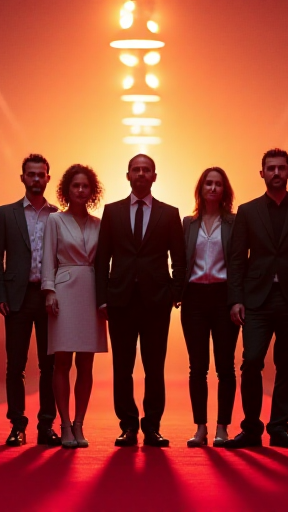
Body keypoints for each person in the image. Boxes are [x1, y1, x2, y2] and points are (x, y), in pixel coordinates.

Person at [225, 148, 288, 449]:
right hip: (256, 300)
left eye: (281, 168)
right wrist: (235, 299)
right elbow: (237, 259)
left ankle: (279, 428)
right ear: (262, 173)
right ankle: (251, 428)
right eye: (271, 168)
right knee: (251, 362)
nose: (276, 173)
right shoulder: (248, 211)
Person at [96, 153, 186, 447]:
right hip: (120, 301)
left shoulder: (169, 213)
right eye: (136, 169)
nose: (141, 174)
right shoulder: (112, 212)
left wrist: (174, 293)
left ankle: (152, 427)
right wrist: (102, 298)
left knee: (154, 369)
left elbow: (180, 260)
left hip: (156, 303)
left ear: (155, 177)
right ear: (128, 176)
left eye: (147, 170)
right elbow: (102, 260)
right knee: (122, 368)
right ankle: (128, 426)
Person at [0, 154, 61, 447]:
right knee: (15, 366)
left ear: (48, 178)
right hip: (17, 298)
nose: (35, 179)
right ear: (22, 178)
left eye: (41, 174)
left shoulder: (59, 215)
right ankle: (16, 426)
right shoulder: (6, 214)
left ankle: (46, 426)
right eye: (30, 174)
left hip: (49, 298)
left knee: (50, 366)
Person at [43, 164, 107, 449]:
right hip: (64, 290)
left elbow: (105, 263)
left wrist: (106, 298)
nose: (80, 191)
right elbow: (47, 258)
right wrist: (49, 290)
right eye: (75, 186)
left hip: (92, 291)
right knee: (62, 361)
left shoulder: (99, 223)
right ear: (67, 190)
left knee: (86, 362)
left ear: (91, 192)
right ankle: (65, 424)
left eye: (85, 187)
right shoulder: (55, 220)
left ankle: (80, 423)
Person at [181, 167, 239, 448]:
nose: (213, 188)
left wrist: (238, 298)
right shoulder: (188, 223)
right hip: (193, 298)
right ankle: (201, 427)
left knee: (225, 367)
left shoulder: (234, 223)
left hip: (223, 296)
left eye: (218, 184)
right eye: (208, 183)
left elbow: (239, 262)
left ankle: (222, 428)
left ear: (224, 190)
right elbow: (180, 260)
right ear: (201, 188)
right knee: (197, 368)